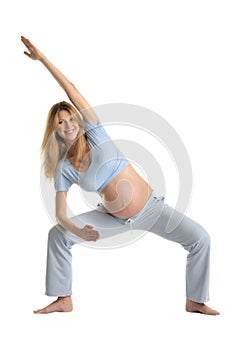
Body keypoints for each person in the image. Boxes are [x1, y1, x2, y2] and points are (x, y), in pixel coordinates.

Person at [21, 36, 220, 316]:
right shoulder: (65, 167)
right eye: (60, 123)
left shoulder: (96, 132)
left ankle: (195, 301)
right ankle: (63, 299)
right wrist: (79, 231)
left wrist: (43, 61)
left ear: (77, 119)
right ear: (55, 131)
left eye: (69, 119)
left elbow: (72, 89)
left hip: (152, 210)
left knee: (200, 238)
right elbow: (61, 215)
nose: (67, 125)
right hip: (113, 219)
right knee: (58, 235)